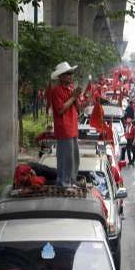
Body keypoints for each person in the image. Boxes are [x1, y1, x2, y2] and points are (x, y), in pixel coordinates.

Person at [50, 61, 81, 189]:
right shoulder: (56, 90)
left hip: (73, 128)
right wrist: (73, 97)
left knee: (74, 158)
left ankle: (72, 181)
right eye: (67, 74)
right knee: (65, 157)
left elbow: (79, 109)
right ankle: (64, 182)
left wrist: (76, 96)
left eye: (71, 73)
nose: (70, 76)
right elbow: (60, 109)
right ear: (61, 77)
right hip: (64, 129)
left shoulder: (71, 89)